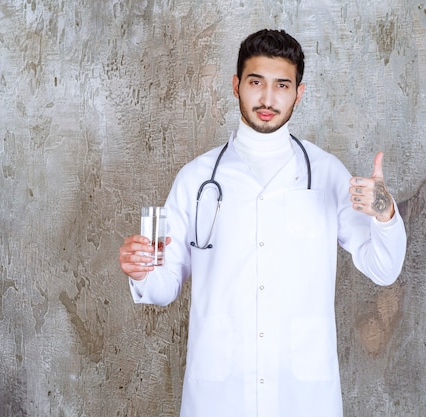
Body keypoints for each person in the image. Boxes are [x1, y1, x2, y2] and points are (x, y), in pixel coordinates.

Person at [119, 29, 407, 417]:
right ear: (237, 85)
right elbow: (163, 285)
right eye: (256, 82)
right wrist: (140, 271)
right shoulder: (196, 180)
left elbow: (384, 269)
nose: (268, 99)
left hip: (303, 398)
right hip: (219, 397)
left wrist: (385, 214)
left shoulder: (326, 174)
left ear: (298, 93)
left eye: (282, 85)